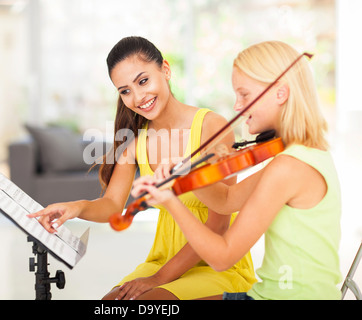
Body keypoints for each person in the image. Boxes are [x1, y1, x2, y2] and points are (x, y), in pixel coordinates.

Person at [27, 36, 256, 300]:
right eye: (125, 91)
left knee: (148, 302)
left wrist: (158, 279)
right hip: (164, 260)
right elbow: (112, 204)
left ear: (166, 70)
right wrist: (76, 207)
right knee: (110, 304)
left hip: (215, 264)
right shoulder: (136, 143)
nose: (138, 97)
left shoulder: (212, 126)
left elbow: (218, 226)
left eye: (143, 81)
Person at [131, 40, 342, 300]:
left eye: (244, 94)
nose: (237, 107)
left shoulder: (288, 167)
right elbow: (226, 200)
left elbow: (222, 257)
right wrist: (185, 173)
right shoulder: (304, 153)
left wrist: (170, 201)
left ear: (280, 93)